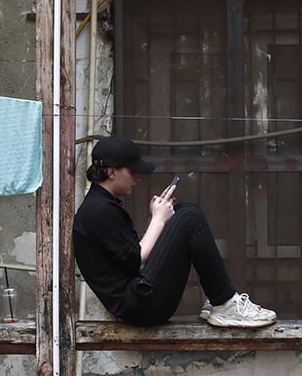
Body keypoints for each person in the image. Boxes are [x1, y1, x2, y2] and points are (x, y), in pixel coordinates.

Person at [73, 136, 277, 328]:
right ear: (111, 172)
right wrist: (158, 219)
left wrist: (164, 221)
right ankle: (224, 302)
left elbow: (130, 257)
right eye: (133, 172)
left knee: (183, 212)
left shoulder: (101, 205)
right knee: (189, 216)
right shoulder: (98, 210)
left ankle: (220, 300)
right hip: (140, 306)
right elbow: (136, 261)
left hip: (139, 298)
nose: (138, 178)